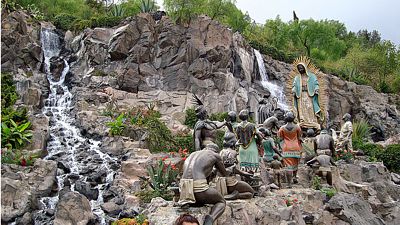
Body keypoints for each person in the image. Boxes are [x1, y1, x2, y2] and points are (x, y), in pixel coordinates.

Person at [179, 144, 227, 225]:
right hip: (199, 188)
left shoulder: (193, 153)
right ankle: (209, 220)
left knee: (201, 199)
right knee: (221, 201)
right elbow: (224, 173)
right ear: (216, 151)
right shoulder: (215, 155)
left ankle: (189, 201)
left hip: (183, 189)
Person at [219, 133, 255, 200]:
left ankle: (233, 194)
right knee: (251, 193)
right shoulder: (232, 152)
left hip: (222, 181)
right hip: (231, 183)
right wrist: (244, 173)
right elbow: (231, 168)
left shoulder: (221, 151)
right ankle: (236, 195)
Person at [292, 62, 322, 130]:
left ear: (304, 67)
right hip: (300, 95)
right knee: (301, 108)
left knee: (309, 107)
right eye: (299, 68)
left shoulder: (312, 76)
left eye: (301, 68)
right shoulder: (297, 78)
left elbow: (316, 83)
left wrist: (316, 89)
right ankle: (302, 121)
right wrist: (293, 90)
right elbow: (294, 85)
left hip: (309, 95)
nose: (300, 69)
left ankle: (312, 121)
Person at [278, 112, 302, 187]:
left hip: (286, 147)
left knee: (288, 166)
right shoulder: (297, 127)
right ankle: (294, 177)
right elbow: (299, 137)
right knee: (295, 164)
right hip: (296, 147)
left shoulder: (282, 128)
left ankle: (289, 184)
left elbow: (280, 138)